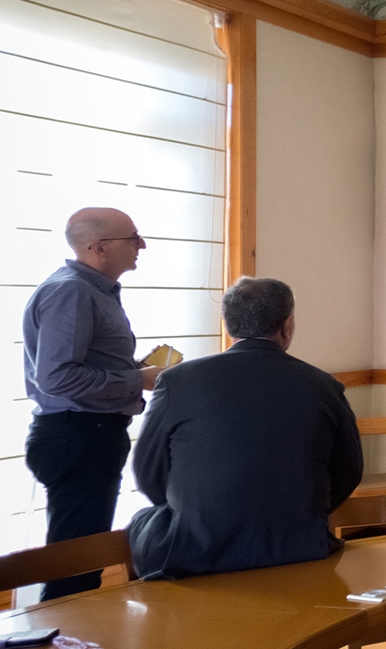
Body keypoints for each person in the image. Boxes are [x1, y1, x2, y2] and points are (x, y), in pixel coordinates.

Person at [127, 277, 363, 579]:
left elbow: (149, 474)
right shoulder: (324, 386)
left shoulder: (178, 381)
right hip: (298, 546)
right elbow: (349, 471)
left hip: (196, 551)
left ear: (227, 324)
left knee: (142, 523)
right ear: (287, 325)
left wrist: (196, 510)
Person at [22, 207, 163, 600]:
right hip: (78, 437)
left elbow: (79, 366)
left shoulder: (92, 291)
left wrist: (134, 369)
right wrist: (137, 379)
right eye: (133, 237)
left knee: (81, 560)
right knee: (76, 569)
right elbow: (57, 378)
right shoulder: (73, 291)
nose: (142, 245)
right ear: (99, 247)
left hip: (88, 435)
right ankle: (60, 640)